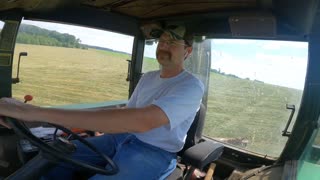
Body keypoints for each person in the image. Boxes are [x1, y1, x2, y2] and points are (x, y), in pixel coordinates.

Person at [0, 25, 204, 179]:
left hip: (154, 151)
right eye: (162, 41)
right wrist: (73, 127)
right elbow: (128, 112)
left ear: (187, 51)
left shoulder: (191, 86)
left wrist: (32, 111)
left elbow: (142, 121)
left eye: (172, 43)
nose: (164, 46)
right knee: (51, 158)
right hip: (119, 138)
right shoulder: (149, 77)